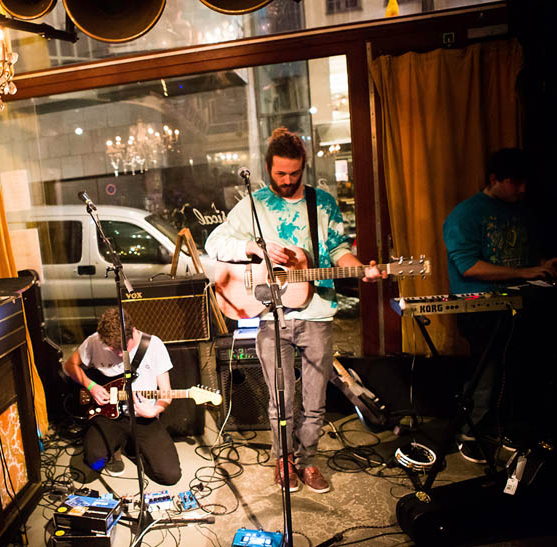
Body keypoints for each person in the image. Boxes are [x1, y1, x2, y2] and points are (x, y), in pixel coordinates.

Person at [205, 127, 384, 493]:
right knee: (280, 402)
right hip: (272, 314)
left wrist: (360, 266)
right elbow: (215, 242)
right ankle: (283, 461)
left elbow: (337, 251)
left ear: (304, 167)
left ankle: (309, 462)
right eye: (279, 174)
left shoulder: (323, 203)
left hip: (316, 314)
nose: (287, 181)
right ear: (268, 167)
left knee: (315, 402)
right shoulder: (253, 204)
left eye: (294, 174)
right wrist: (256, 249)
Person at [443, 147, 556, 463]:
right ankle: (470, 433)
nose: (522, 190)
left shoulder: (523, 211)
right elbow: (468, 266)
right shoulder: (466, 214)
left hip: (523, 303)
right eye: (514, 182)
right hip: (481, 309)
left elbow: (525, 257)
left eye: (524, 183)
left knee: (521, 369)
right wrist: (526, 271)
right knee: (485, 371)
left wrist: (542, 266)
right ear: (494, 179)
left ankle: (509, 428)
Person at [62, 307, 181, 485]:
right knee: (92, 467)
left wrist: (155, 410)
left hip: (142, 417)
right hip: (107, 415)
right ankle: (115, 449)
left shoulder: (154, 345)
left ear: (132, 332)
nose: (115, 352)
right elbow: (70, 365)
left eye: (119, 348)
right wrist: (91, 386)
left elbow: (166, 392)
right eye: (109, 347)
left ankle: (129, 446)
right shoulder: (94, 341)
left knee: (170, 476)